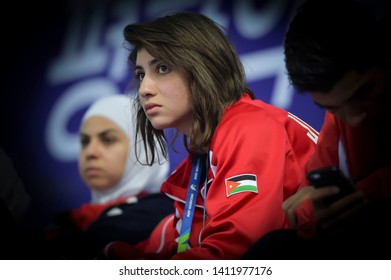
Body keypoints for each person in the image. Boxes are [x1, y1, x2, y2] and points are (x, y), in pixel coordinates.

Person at [103, 11, 318, 260]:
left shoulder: (248, 127)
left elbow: (235, 249)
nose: (144, 89)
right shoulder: (200, 162)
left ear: (204, 67)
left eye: (162, 68)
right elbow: (172, 245)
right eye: (141, 74)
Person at [242, 0, 391, 259]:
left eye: (363, 93)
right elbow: (304, 205)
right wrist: (320, 213)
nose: (354, 118)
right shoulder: (339, 120)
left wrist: (370, 195)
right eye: (333, 107)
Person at [45, 94, 173, 259]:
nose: (90, 152)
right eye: (85, 141)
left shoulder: (167, 215)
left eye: (108, 140)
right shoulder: (65, 223)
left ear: (143, 149)